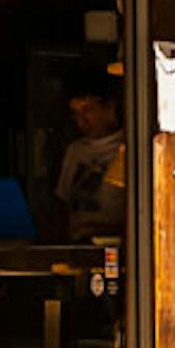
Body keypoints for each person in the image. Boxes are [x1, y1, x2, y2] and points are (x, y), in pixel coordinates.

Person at [52, 68, 125, 238]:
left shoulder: (126, 149)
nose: (81, 120)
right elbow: (62, 202)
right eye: (75, 113)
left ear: (109, 107)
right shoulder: (75, 151)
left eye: (87, 110)